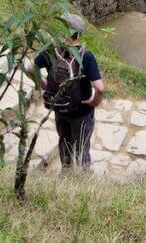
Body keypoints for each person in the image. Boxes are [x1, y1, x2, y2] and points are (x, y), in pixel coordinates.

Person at [35, 13, 105, 170]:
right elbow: (100, 88)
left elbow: (29, 67)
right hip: (81, 111)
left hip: (60, 107)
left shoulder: (52, 51)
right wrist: (94, 102)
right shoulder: (86, 56)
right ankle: (83, 178)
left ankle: (66, 172)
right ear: (78, 34)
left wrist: (43, 85)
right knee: (82, 146)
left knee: (64, 141)